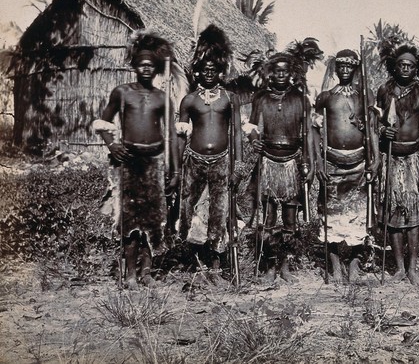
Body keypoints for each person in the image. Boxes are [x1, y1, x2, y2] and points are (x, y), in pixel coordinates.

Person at [93, 31, 180, 290]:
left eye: (150, 64)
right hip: (129, 162)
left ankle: (147, 272)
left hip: (154, 163)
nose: (145, 67)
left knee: (153, 221)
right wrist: (113, 144)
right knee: (130, 221)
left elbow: (173, 136)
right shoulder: (122, 93)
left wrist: (174, 171)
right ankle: (130, 272)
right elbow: (102, 122)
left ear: (156, 68)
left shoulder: (163, 98)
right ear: (133, 66)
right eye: (141, 63)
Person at [176, 25, 242, 285]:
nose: (209, 74)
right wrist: (175, 170)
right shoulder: (189, 100)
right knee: (192, 212)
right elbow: (181, 136)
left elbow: (236, 133)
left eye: (213, 70)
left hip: (222, 163)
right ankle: (197, 267)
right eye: (204, 70)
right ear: (197, 72)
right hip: (193, 162)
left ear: (220, 72)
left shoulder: (230, 98)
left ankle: (216, 267)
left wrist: (239, 165)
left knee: (219, 211)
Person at [247, 52, 315, 283]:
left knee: (290, 218)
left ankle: (285, 266)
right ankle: (268, 267)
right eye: (277, 71)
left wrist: (308, 163)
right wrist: (254, 138)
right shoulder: (261, 97)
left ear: (291, 73)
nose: (281, 75)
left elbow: (307, 134)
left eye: (285, 71)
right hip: (267, 160)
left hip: (291, 162)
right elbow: (252, 126)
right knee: (267, 219)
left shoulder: (300, 98)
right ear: (270, 73)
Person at [313, 49, 380, 283]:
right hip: (331, 162)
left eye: (349, 66)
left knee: (358, 216)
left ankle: (353, 263)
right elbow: (314, 131)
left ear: (354, 69)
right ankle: (335, 266)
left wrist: (377, 157)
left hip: (359, 163)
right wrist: (318, 160)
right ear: (335, 68)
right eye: (340, 65)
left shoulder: (365, 96)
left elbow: (371, 129)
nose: (344, 70)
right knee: (330, 216)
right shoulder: (325, 97)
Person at [376, 42, 419, 286]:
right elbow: (374, 123)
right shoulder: (384, 91)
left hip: (413, 159)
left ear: (416, 67)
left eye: (410, 65)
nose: (406, 68)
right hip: (390, 157)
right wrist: (382, 131)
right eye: (402, 64)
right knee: (394, 213)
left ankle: (412, 268)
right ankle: (398, 267)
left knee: (413, 215)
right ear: (394, 66)